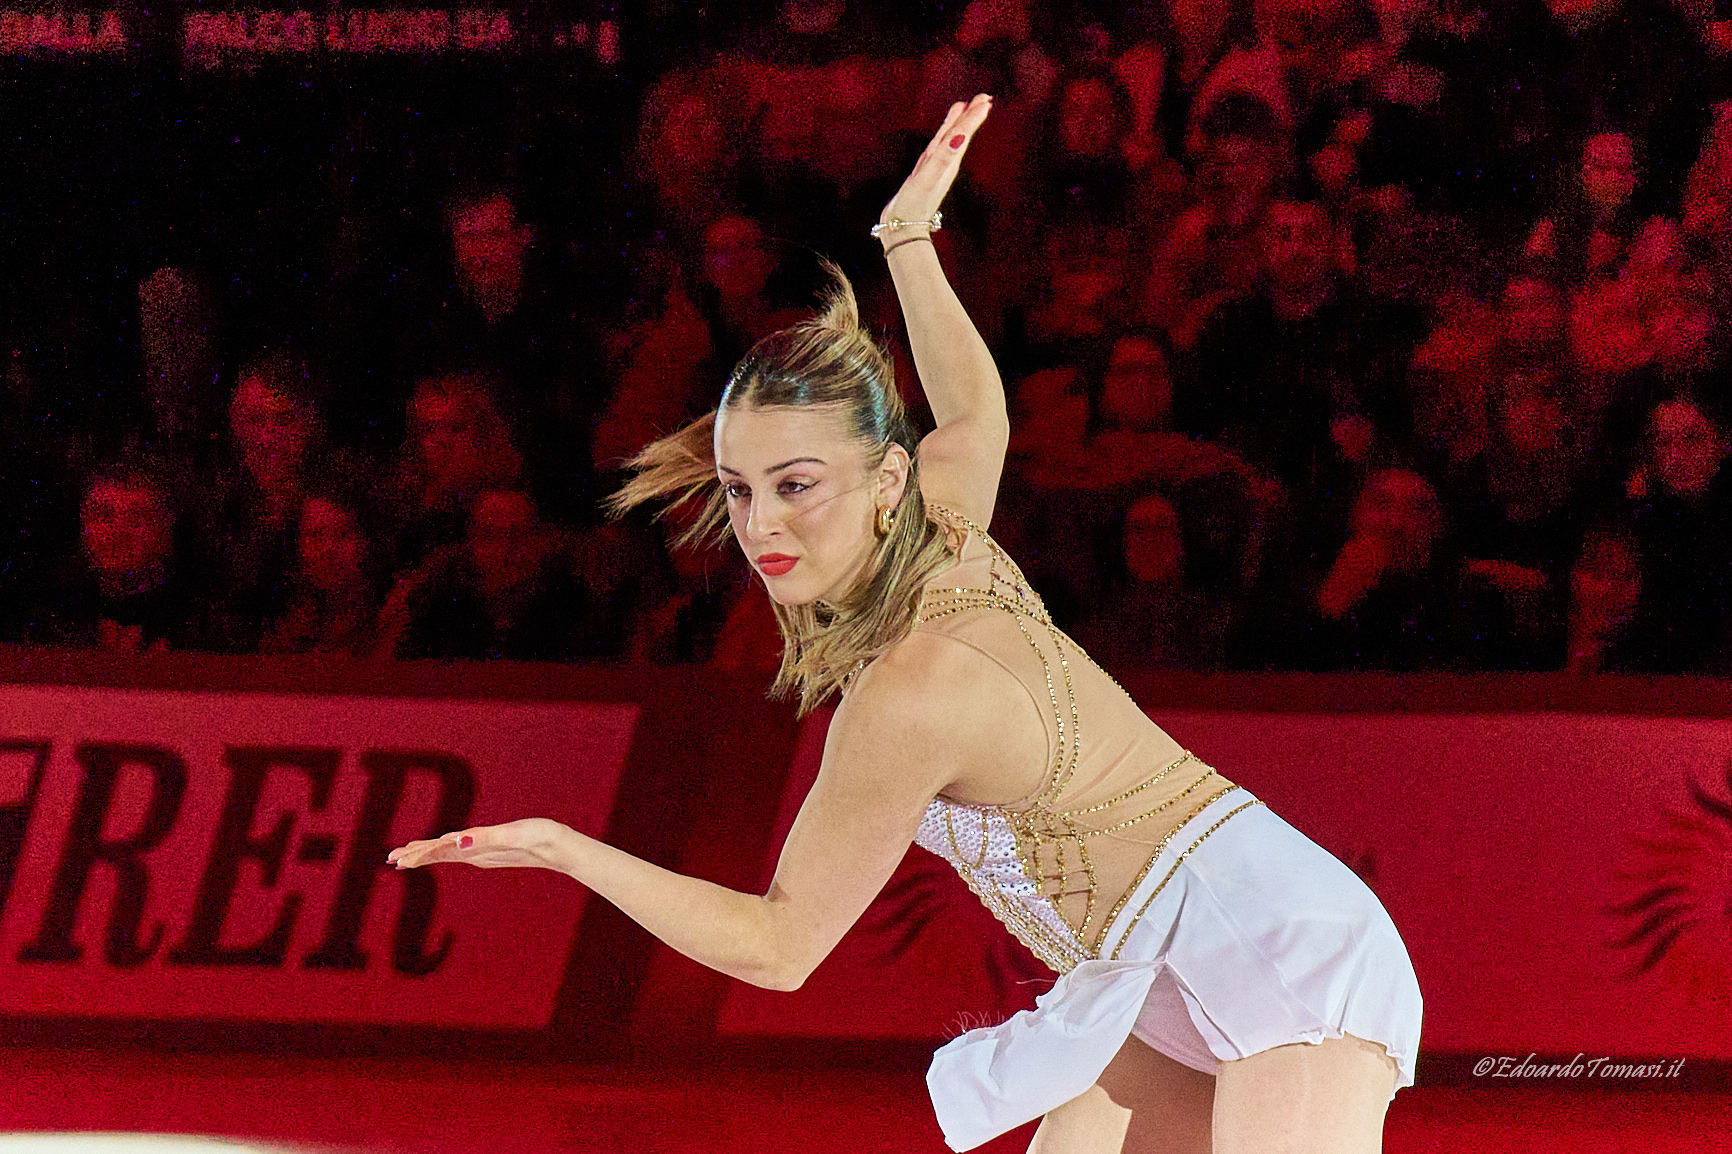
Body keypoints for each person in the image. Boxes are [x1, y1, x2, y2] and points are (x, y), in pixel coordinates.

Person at [389, 96, 1421, 1153]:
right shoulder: (942, 525)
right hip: (1149, 976)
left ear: (885, 481)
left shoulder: (909, 692)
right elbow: (974, 413)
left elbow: (780, 944)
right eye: (741, 489)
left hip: (1277, 945)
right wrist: (908, 238)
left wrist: (569, 851)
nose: (763, 524)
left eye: (797, 484)